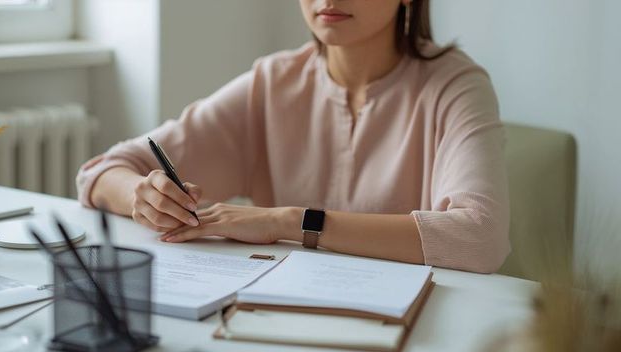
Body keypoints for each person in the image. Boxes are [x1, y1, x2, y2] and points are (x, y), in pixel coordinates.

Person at [77, 0, 510, 273]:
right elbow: (99, 173)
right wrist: (142, 195)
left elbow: (479, 239)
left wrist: (287, 221)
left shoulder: (455, 85)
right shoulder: (274, 81)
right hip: (275, 311)